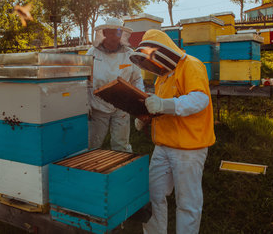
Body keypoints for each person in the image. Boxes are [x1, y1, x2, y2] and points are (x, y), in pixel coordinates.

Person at [129, 29, 216, 234]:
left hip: (189, 147)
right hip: (163, 146)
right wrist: (146, 117)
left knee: (188, 202)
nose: (150, 66)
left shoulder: (191, 65)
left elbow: (199, 99)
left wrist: (162, 105)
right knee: (152, 194)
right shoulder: (163, 77)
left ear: (161, 52)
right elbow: (163, 108)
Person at [86, 17, 145, 152]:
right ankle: (90, 171)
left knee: (122, 144)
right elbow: (85, 79)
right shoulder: (92, 53)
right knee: (93, 143)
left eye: (117, 33)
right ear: (104, 33)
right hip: (98, 105)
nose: (114, 37)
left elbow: (136, 78)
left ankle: (122, 170)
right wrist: (86, 103)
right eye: (111, 33)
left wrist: (140, 97)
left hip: (122, 105)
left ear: (122, 34)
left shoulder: (129, 54)